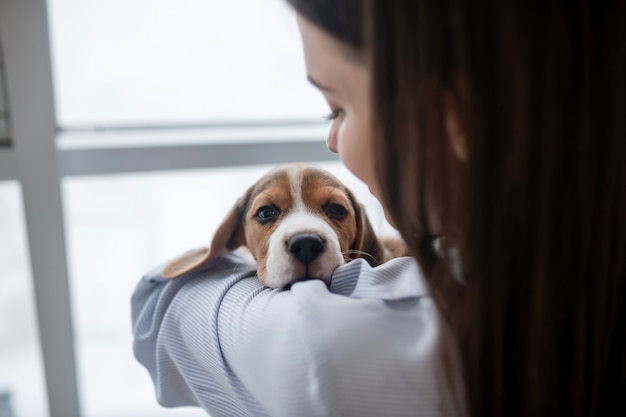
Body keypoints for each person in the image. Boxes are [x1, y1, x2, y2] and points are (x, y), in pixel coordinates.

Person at [132, 1, 626, 416]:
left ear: (456, 114)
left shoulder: (356, 348)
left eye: (337, 108)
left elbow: (159, 306)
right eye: (266, 213)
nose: (331, 139)